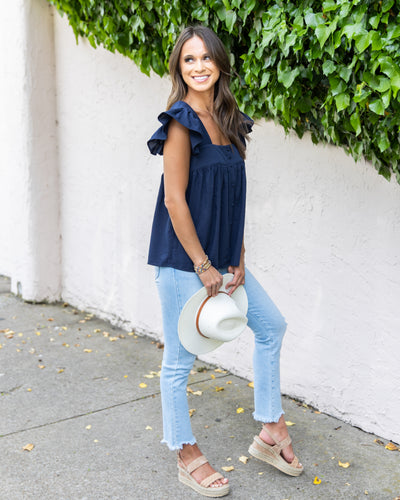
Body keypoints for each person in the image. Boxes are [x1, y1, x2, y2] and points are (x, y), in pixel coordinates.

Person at [147, 25, 303, 497]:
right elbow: (175, 201)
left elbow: (233, 197)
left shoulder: (229, 118)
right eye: (188, 59)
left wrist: (236, 257)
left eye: (206, 58)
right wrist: (202, 265)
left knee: (271, 325)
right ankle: (185, 452)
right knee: (179, 361)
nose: (198, 67)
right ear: (179, 67)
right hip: (183, 261)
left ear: (219, 64)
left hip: (222, 260)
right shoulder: (179, 122)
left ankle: (270, 430)